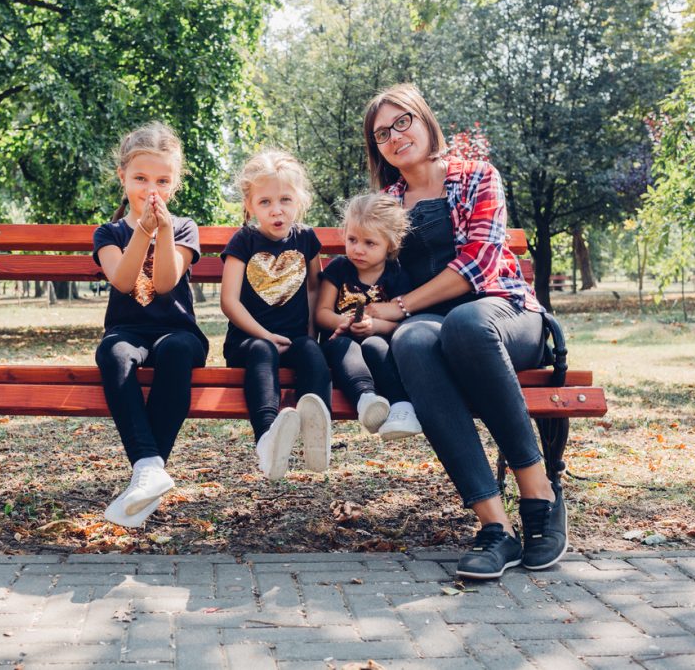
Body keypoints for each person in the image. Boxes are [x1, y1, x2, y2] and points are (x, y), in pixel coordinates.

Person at [362, 83, 566, 579]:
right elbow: (373, 271)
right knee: (412, 340)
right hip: (432, 325)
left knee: (465, 322)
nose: (394, 136)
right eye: (382, 133)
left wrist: (403, 305)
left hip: (505, 314)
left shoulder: (477, 176)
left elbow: (478, 263)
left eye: (402, 121)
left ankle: (539, 492)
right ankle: (496, 528)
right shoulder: (385, 202)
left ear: (425, 119)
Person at [92, 122, 208, 528]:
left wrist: (161, 231)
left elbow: (162, 283)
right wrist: (142, 231)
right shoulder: (108, 232)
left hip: (179, 333)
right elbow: (123, 281)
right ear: (122, 177)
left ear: (174, 184)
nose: (150, 188)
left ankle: (147, 474)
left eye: (162, 179)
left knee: (176, 351)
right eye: (140, 178)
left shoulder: (185, 227)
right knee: (113, 352)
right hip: (128, 331)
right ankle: (149, 467)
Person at [220, 149, 333, 481]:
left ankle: (318, 434)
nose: (277, 210)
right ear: (250, 205)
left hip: (295, 339)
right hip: (249, 344)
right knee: (263, 349)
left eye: (285, 199)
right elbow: (229, 301)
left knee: (312, 352)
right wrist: (263, 334)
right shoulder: (243, 241)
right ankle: (268, 440)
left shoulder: (306, 239)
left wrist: (310, 334)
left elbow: (314, 288)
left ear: (298, 200)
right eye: (265, 202)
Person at [314, 193, 422, 440]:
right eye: (352, 239)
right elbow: (321, 313)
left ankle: (401, 407)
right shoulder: (339, 269)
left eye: (369, 243)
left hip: (378, 343)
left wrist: (375, 326)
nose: (358, 250)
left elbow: (401, 324)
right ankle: (366, 400)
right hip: (338, 344)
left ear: (390, 245)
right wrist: (344, 322)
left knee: (375, 345)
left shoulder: (397, 275)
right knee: (344, 345)